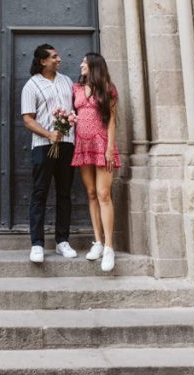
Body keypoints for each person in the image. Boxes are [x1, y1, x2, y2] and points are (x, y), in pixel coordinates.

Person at [21, 44, 77, 263]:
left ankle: (63, 241)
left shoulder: (66, 81)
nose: (59, 59)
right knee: (40, 193)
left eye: (58, 55)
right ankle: (37, 244)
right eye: (54, 57)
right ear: (43, 61)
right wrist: (49, 134)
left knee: (64, 193)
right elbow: (27, 119)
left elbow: (75, 110)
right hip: (43, 146)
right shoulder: (31, 85)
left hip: (67, 144)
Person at [71, 52, 121, 272]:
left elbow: (111, 120)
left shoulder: (108, 89)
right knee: (91, 193)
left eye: (84, 61)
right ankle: (98, 242)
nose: (81, 64)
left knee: (103, 194)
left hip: (102, 145)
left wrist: (110, 147)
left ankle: (109, 247)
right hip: (82, 145)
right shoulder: (76, 89)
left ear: (94, 65)